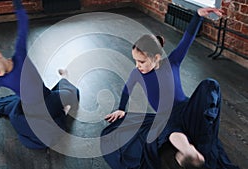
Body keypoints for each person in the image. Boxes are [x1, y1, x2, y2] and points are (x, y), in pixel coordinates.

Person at [102, 7, 239, 169]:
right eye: (135, 61)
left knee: (210, 84)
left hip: (186, 108)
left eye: (142, 62)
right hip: (165, 116)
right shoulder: (136, 74)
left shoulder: (172, 62)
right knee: (171, 130)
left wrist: (198, 16)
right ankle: (188, 151)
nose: (137, 65)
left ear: (157, 57)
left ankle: (202, 127)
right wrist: (121, 109)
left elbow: (187, 39)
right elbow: (127, 89)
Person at [0, 0, 79, 149]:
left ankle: (63, 81)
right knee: (34, 137)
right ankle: (60, 113)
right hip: (30, 111)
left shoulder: (20, 55)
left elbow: (23, 22)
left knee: (73, 94)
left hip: (48, 99)